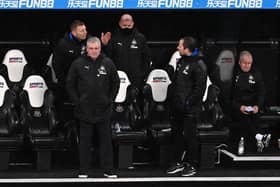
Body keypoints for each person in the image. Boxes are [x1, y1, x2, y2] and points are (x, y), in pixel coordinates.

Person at [66, 37, 120, 178]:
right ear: (87, 49)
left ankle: (108, 169)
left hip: (103, 109)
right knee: (84, 142)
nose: (94, 51)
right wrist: (77, 102)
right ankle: (84, 170)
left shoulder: (108, 63)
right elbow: (70, 84)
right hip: (84, 110)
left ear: (100, 49)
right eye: (91, 49)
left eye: (96, 48)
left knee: (106, 141)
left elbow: (116, 82)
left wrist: (110, 99)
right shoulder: (78, 63)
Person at [167, 37, 207, 176]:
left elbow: (199, 89)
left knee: (190, 137)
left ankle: (192, 164)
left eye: (180, 45)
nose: (177, 47)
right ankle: (178, 162)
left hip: (190, 109)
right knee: (176, 135)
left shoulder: (199, 65)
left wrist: (188, 103)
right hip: (178, 107)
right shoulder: (182, 61)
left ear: (187, 48)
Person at [102, 13, 152, 114]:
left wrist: (143, 74)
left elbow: (147, 58)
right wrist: (104, 46)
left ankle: (137, 123)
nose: (127, 27)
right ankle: (116, 124)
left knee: (135, 104)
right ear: (120, 24)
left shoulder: (140, 38)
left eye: (129, 25)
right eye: (124, 25)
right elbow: (108, 58)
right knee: (118, 104)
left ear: (133, 24)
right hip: (118, 78)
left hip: (136, 79)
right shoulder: (114, 37)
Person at [231, 50, 270, 154]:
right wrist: (239, 107)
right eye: (245, 63)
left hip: (253, 105)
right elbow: (229, 96)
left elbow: (262, 92)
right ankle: (259, 136)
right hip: (237, 106)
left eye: (249, 63)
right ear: (239, 62)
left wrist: (257, 105)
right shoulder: (233, 74)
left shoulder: (256, 74)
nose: (247, 65)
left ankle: (257, 140)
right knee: (243, 116)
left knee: (252, 117)